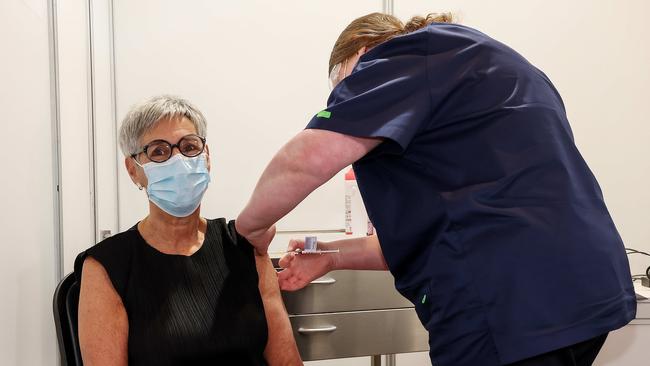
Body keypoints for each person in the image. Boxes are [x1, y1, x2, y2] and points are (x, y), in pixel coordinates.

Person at [235, 12, 636, 366]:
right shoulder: (490, 67)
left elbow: (306, 157)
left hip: (508, 307)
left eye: (345, 84)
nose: (348, 97)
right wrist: (330, 255)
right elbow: (444, 233)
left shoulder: (399, 59)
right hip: (584, 297)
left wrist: (247, 229)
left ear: (363, 51)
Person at [76, 95, 301, 366]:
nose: (179, 160)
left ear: (206, 157)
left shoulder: (243, 246)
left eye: (189, 146)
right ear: (133, 170)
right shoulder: (108, 266)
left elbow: (287, 362)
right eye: (159, 151)